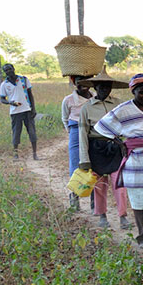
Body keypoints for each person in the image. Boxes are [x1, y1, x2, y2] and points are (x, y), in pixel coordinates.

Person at [95, 73, 143, 249]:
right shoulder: (123, 109)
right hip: (136, 162)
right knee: (139, 199)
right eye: (141, 92)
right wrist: (120, 142)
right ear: (133, 91)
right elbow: (102, 126)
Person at [78, 68, 132, 231]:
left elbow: (127, 127)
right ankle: (102, 215)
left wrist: (126, 145)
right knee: (100, 185)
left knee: (119, 184)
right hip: (96, 148)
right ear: (95, 88)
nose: (104, 89)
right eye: (101, 87)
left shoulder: (118, 104)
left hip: (115, 148)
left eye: (107, 87)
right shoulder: (86, 108)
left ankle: (123, 217)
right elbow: (83, 134)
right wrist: (84, 159)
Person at [61, 75, 93, 209]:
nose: (84, 84)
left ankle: (94, 202)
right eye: (80, 81)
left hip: (93, 131)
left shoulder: (95, 98)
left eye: (87, 80)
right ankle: (74, 197)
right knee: (75, 164)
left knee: (93, 166)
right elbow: (65, 119)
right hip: (75, 131)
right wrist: (73, 132)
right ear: (74, 82)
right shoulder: (68, 100)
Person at [0, 63, 37, 160]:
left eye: (10, 69)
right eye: (6, 70)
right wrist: (9, 102)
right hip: (15, 112)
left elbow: (30, 94)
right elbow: (2, 99)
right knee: (16, 133)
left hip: (27, 110)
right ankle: (16, 154)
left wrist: (33, 108)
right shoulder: (4, 84)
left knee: (32, 132)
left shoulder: (23, 79)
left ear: (14, 68)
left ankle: (35, 154)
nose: (8, 71)